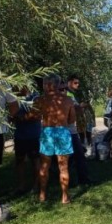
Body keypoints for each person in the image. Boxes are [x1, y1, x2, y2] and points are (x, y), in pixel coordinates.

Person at [35, 75, 76, 204]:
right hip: (62, 131)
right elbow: (72, 120)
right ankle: (64, 196)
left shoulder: (40, 100)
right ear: (58, 85)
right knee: (63, 167)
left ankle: (42, 194)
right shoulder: (68, 100)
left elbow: (34, 115)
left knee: (44, 166)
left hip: (47, 132)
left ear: (46, 84)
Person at [12, 85, 41, 194]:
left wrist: (19, 117)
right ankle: (21, 186)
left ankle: (36, 186)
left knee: (35, 161)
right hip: (20, 135)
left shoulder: (35, 97)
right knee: (19, 161)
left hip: (34, 135)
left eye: (17, 86)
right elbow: (11, 115)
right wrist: (23, 117)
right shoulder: (14, 98)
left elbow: (36, 115)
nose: (16, 89)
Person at [65, 75, 92, 187]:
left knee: (73, 156)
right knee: (77, 155)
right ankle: (80, 179)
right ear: (69, 82)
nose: (77, 85)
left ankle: (77, 179)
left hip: (70, 130)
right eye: (75, 83)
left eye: (78, 83)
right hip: (69, 130)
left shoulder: (70, 94)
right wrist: (81, 107)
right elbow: (74, 110)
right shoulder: (67, 94)